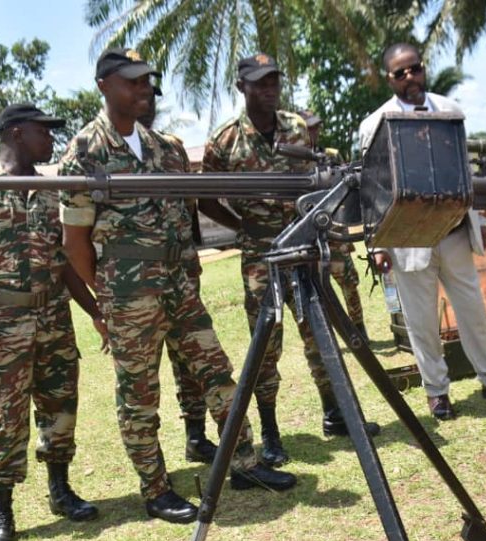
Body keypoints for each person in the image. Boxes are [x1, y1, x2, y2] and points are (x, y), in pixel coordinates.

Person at [59, 48, 296, 525]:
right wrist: (108, 293)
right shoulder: (84, 154)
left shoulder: (167, 149)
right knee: (139, 394)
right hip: (129, 294)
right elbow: (74, 242)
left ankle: (244, 463)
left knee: (218, 372)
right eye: (131, 80)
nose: (143, 88)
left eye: (146, 79)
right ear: (104, 86)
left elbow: (184, 219)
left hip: (179, 284)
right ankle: (156, 489)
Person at [0, 103, 106, 541]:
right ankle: (3, 512)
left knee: (60, 407)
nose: (50, 138)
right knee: (5, 417)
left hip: (54, 316)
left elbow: (64, 260)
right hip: (3, 322)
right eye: (42, 131)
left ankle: (61, 490)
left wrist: (94, 311)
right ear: (16, 133)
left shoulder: (51, 188)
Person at [200, 53, 379, 467]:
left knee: (319, 334)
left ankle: (335, 414)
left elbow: (317, 183)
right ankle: (271, 432)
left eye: (274, 82)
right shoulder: (224, 141)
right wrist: (242, 228)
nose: (269, 89)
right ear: (241, 87)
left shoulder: (297, 128)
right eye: (260, 83)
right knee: (266, 346)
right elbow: (205, 198)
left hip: (304, 246)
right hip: (261, 255)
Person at [358, 43, 486, 421]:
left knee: (473, 310)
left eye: (415, 68)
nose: (410, 77)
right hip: (407, 239)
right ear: (389, 79)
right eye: (400, 73)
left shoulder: (450, 111)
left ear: (423, 68)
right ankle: (436, 391)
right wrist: (375, 245)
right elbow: (371, 189)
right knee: (421, 321)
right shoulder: (375, 124)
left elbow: (466, 173)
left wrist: (480, 221)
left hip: (454, 232)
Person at [138, 85, 219, 465]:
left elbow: (188, 210)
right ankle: (152, 469)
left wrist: (191, 263)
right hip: (136, 286)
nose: (147, 103)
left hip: (182, 274)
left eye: (152, 96)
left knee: (191, 364)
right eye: (139, 95)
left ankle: (196, 438)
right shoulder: (100, 151)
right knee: (142, 377)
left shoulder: (173, 149)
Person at [297, 108, 368, 340]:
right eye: (309, 128)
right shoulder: (292, 162)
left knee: (349, 282)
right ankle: (327, 337)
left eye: (316, 127)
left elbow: (347, 191)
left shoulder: (331, 156)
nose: (314, 131)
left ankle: (359, 330)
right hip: (306, 236)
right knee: (313, 290)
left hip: (333, 233)